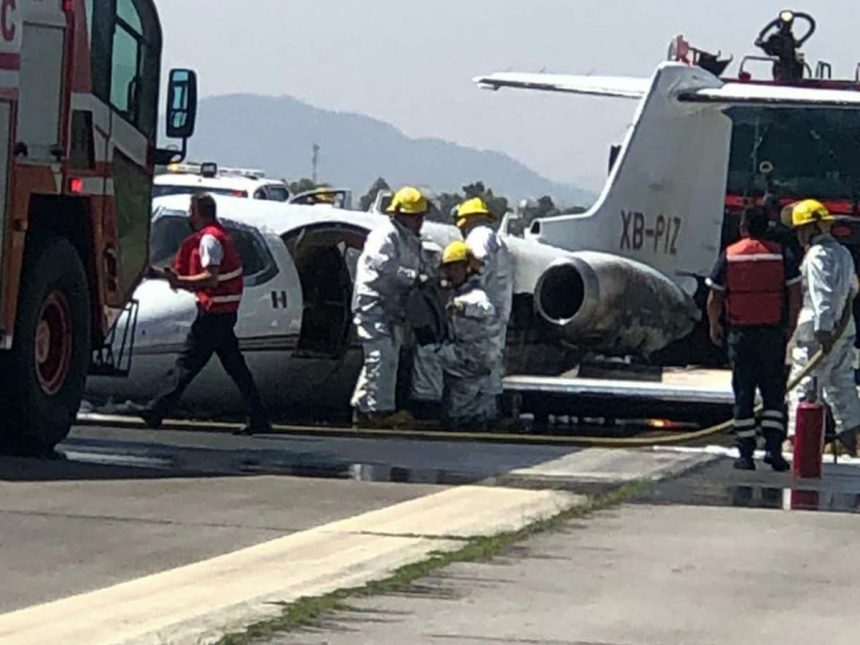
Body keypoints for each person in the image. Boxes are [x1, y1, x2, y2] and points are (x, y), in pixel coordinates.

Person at [133, 193, 271, 434]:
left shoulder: (209, 240)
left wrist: (181, 281)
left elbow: (211, 277)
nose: (189, 215)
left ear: (199, 213)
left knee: (187, 363)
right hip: (223, 311)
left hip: (214, 311)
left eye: (191, 210)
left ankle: (156, 409)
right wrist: (163, 275)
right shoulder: (218, 236)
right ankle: (258, 416)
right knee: (236, 368)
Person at [707, 206, 801, 471]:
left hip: (741, 334)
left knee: (744, 394)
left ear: (743, 226)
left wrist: (715, 325)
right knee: (774, 394)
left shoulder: (730, 255)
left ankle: (745, 454)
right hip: (772, 333)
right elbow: (795, 294)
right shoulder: (782, 255)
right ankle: (773, 451)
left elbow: (715, 296)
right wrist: (790, 326)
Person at [351, 186, 430, 427]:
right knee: (381, 355)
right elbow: (382, 266)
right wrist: (412, 277)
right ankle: (379, 411)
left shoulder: (411, 241)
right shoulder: (385, 236)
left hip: (391, 307)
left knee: (385, 357)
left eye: (421, 216)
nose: (420, 221)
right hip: (373, 303)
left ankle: (363, 406)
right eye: (415, 216)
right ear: (401, 215)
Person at [787, 199, 860, 457]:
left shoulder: (817, 256)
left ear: (815, 228)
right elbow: (853, 288)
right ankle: (850, 438)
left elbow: (822, 295)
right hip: (844, 327)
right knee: (841, 382)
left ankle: (799, 441)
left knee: (805, 384)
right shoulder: (843, 253)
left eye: (802, 229)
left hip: (817, 332)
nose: (799, 235)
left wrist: (823, 330)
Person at [453, 197, 513, 423]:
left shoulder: (478, 237)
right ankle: (487, 416)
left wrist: (453, 285)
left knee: (473, 369)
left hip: (483, 319)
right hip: (495, 317)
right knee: (491, 371)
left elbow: (478, 266)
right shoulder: (495, 239)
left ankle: (470, 417)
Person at [438, 241, 499, 428]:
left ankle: (425, 404)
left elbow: (487, 309)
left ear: (468, 268)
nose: (451, 273)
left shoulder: (476, 294)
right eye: (448, 268)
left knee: (428, 356)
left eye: (456, 268)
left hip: (474, 355)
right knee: (462, 398)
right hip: (466, 356)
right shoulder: (453, 293)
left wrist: (463, 308)